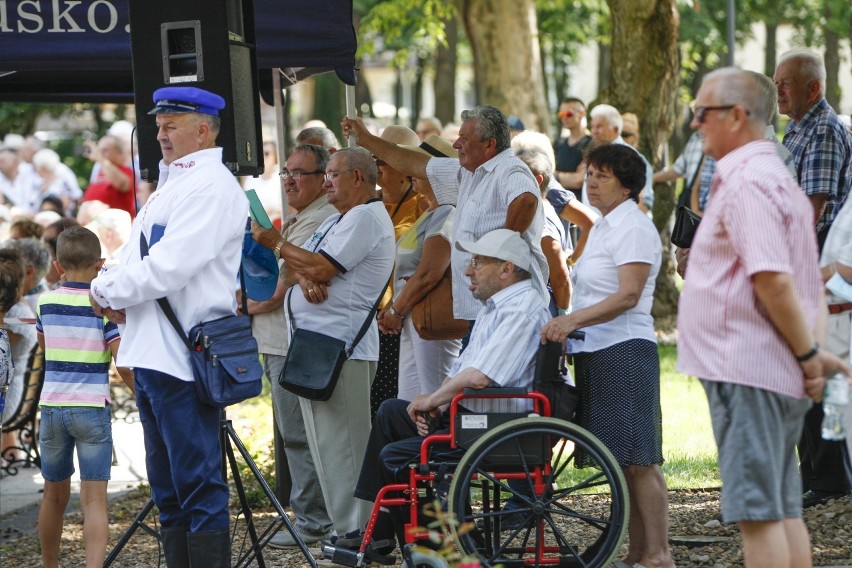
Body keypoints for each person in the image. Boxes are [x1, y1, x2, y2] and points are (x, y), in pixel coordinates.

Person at [678, 67, 850, 568]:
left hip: (747, 370)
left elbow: (773, 280)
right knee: (781, 510)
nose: (694, 124)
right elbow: (806, 280)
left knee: (759, 517)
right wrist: (809, 357)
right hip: (766, 368)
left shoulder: (749, 180)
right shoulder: (771, 175)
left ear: (736, 115)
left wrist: (810, 356)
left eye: (701, 113)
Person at [89, 86, 247, 567]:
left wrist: (106, 293)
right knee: (170, 490)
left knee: (198, 486)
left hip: (183, 359)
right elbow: (133, 258)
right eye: (158, 125)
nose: (160, 133)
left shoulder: (210, 186)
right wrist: (110, 283)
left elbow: (168, 268)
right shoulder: (176, 182)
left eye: (171, 124)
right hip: (154, 354)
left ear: (203, 129)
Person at [346, 229, 550, 553]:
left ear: (507, 268)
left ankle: (432, 547)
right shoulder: (494, 308)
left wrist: (434, 400)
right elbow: (461, 370)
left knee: (397, 455)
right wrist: (437, 407)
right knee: (390, 413)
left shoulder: (520, 308)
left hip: (498, 428)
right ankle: (385, 531)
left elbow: (481, 376)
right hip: (475, 417)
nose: (468, 270)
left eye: (478, 262)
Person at [251, 147, 395, 537]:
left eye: (334, 173)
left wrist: (277, 244)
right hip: (319, 347)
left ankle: (360, 535)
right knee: (324, 451)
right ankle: (345, 533)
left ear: (359, 178)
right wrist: (304, 274)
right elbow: (306, 266)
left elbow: (320, 265)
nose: (327, 181)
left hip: (342, 349)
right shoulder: (342, 218)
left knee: (344, 450)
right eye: (327, 173)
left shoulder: (365, 217)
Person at [541, 144, 671, 568]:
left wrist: (572, 320)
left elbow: (629, 295)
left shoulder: (633, 225)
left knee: (639, 457)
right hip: (596, 350)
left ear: (628, 185)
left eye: (603, 176)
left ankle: (658, 554)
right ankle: (637, 552)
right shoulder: (604, 225)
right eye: (590, 174)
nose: (592, 183)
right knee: (620, 460)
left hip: (625, 348)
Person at [343, 104, 549, 328]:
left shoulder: (510, 169)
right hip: (486, 309)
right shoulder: (469, 173)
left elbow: (526, 200)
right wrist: (365, 138)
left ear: (490, 144)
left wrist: (497, 256)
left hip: (508, 307)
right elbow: (412, 162)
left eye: (464, 138)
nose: (455, 144)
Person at [246, 144, 337, 548]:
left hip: (293, 341)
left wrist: (244, 304)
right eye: (286, 171)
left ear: (323, 179)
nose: (289, 179)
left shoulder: (323, 217)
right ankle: (316, 517)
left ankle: (315, 522)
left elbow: (280, 288)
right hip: (281, 340)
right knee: (296, 434)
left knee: (300, 435)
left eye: (300, 173)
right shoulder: (300, 218)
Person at [775, 49, 852, 506]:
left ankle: (828, 480)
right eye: (777, 82)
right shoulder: (796, 128)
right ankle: (815, 476)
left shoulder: (822, 129)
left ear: (814, 88)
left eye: (786, 83)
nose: (779, 89)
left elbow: (810, 212)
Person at [35, 226, 134, 568]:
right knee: (94, 501)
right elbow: (123, 362)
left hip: (52, 409)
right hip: (91, 408)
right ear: (100, 264)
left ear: (57, 266)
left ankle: (50, 564)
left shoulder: (44, 303)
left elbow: (46, 349)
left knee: (52, 495)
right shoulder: (102, 308)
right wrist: (140, 394)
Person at [374, 134, 461, 401]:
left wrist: (397, 309)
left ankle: (436, 444)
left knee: (434, 397)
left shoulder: (448, 212)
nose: (411, 172)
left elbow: (429, 273)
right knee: (410, 398)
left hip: (430, 317)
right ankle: (417, 444)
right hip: (413, 315)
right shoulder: (432, 211)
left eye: (418, 167)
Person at [373, 125, 423, 415]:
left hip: (402, 315)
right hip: (368, 315)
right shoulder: (367, 201)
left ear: (406, 167)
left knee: (395, 398)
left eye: (384, 159)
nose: (376, 165)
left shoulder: (422, 205)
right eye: (374, 158)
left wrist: (397, 307)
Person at [514, 147, 572, 315]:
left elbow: (560, 276)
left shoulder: (539, 216)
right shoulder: (539, 207)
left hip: (540, 311)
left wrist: (562, 314)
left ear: (537, 180)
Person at [581, 104, 654, 216]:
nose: (594, 131)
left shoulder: (631, 158)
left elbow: (643, 202)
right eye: (593, 126)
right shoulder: (596, 154)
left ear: (615, 130)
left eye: (599, 126)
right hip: (596, 227)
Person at [81, 135, 136, 219]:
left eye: (105, 150)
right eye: (99, 151)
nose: (100, 154)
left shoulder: (126, 171)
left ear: (119, 152)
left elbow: (122, 184)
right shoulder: (101, 171)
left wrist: (101, 159)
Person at [552, 97, 592, 197]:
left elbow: (579, 180)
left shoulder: (592, 144)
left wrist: (554, 176)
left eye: (568, 114)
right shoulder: (558, 144)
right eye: (561, 114)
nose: (564, 117)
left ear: (582, 113)